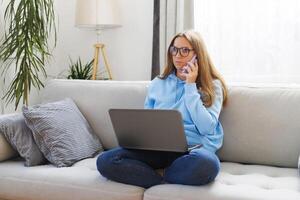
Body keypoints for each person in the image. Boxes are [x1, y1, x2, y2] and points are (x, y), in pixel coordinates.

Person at [96, 30, 228, 188]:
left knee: (208, 165)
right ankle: (162, 180)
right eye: (174, 49)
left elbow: (206, 127)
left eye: (185, 50)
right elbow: (148, 124)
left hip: (192, 152)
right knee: (106, 160)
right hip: (157, 150)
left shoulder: (213, 86)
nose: (178, 55)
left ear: (198, 54)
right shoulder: (158, 83)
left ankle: (161, 175)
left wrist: (190, 86)